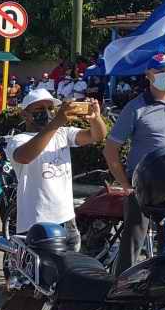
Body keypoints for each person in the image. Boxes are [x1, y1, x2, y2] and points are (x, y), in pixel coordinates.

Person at [104, 53, 165, 275]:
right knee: (133, 241)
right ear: (148, 75)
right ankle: (120, 292)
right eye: (160, 71)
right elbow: (110, 148)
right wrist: (125, 184)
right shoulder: (135, 108)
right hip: (144, 186)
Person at [6, 89, 107, 248]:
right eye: (39, 109)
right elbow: (25, 156)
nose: (46, 113)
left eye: (50, 109)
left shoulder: (62, 133)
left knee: (68, 270)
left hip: (67, 219)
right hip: (37, 222)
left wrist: (96, 118)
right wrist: (56, 122)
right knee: (44, 271)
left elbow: (97, 136)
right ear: (25, 114)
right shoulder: (18, 140)